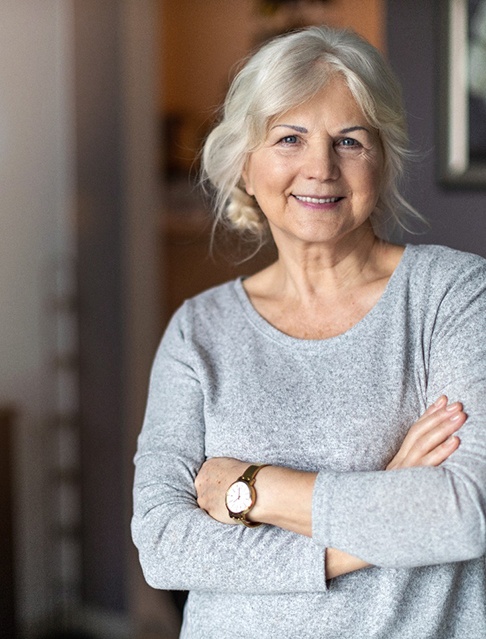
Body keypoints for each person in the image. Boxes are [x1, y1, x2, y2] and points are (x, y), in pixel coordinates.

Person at [132, 26, 486, 638]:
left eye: (349, 140)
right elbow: (164, 546)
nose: (319, 168)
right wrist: (387, 504)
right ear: (246, 164)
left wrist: (250, 489)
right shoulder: (198, 330)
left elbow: (463, 514)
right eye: (289, 138)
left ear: (381, 160)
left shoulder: (454, 296)